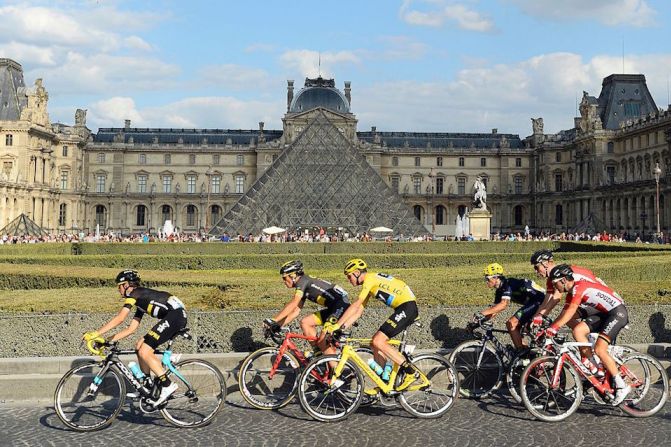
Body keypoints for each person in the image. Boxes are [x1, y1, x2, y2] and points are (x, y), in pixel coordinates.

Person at [82, 270, 187, 406]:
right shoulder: (141, 300)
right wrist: (107, 340)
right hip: (174, 316)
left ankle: (167, 385)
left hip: (175, 316)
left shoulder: (134, 294)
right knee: (139, 346)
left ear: (126, 285)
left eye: (119, 286)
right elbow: (131, 329)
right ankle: (147, 385)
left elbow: (120, 318)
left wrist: (96, 333)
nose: (118, 290)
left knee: (145, 351)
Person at [543, 265, 631, 405]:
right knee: (578, 330)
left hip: (617, 313)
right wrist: (552, 326)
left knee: (600, 349)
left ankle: (621, 386)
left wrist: (554, 328)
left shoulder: (579, 288)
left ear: (564, 280)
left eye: (556, 283)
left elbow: (571, 311)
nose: (555, 287)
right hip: (605, 314)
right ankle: (593, 366)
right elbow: (565, 313)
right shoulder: (572, 292)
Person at [331, 258, 421, 392]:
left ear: (356, 272)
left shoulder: (369, 280)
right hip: (404, 308)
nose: (348, 280)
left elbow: (355, 304)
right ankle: (385, 382)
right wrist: (343, 327)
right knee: (374, 343)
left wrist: (337, 325)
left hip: (407, 307)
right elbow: (359, 310)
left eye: (349, 276)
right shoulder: (370, 283)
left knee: (379, 340)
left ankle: (411, 372)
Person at [529, 249, 607, 374]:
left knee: (570, 322)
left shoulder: (561, 275)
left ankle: (588, 352)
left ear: (546, 264)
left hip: (600, 301)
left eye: (536, 267)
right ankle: (586, 343)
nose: (536, 271)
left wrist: (543, 317)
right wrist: (538, 316)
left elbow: (556, 298)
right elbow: (548, 299)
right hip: (587, 301)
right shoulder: (552, 278)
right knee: (568, 320)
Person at [264, 260, 350, 356]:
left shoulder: (302, 282)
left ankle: (335, 369)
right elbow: (295, 311)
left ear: (293, 276)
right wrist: (278, 325)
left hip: (340, 306)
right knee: (305, 322)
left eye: (285, 278)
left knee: (323, 340)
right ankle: (318, 354)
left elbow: (293, 303)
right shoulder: (304, 283)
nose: (284, 281)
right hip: (334, 307)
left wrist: (274, 319)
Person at [472, 263, 545, 351]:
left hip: (539, 300)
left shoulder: (508, 284)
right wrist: (476, 323)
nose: (486, 281)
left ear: (496, 277)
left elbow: (503, 305)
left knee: (511, 323)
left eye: (488, 278)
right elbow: (494, 311)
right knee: (518, 328)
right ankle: (526, 353)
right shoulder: (500, 290)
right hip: (531, 303)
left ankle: (521, 353)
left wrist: (481, 313)